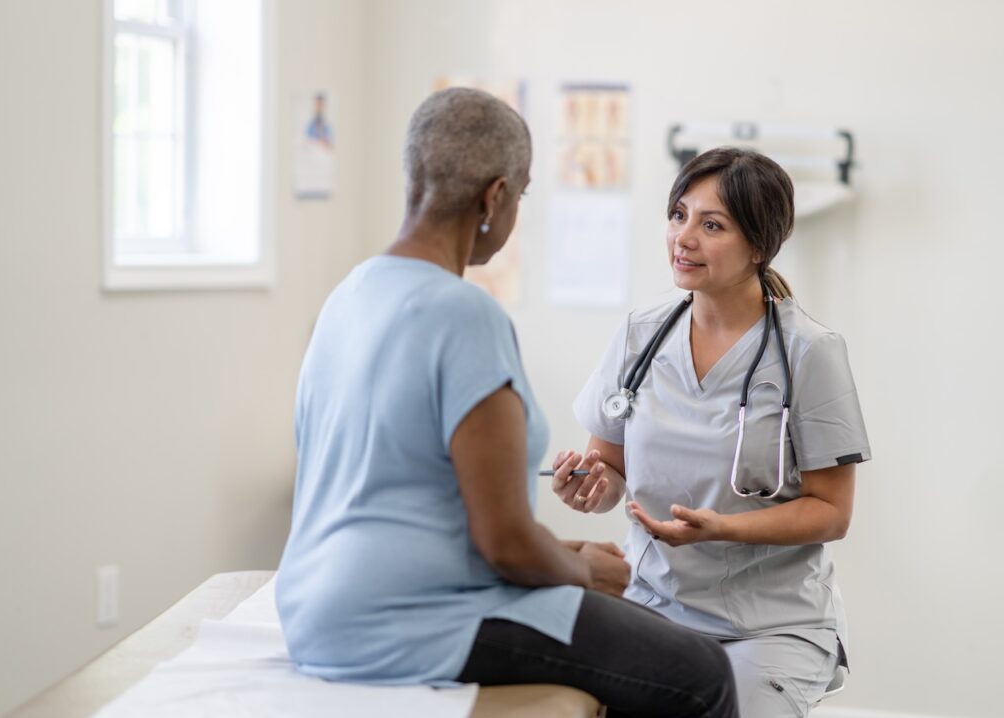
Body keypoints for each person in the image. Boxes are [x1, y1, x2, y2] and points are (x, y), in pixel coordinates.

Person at [275, 88, 739, 718]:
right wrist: (583, 574)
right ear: (494, 197)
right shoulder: (463, 313)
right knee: (701, 673)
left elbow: (414, 501)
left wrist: (565, 553)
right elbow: (505, 545)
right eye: (520, 195)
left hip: (313, 610)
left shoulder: (349, 295)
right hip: (410, 621)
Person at [551, 147, 870, 717]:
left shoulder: (810, 352)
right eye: (679, 215)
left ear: (758, 246)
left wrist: (720, 528)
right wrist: (592, 485)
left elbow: (831, 511)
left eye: (712, 224)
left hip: (768, 626)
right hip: (651, 608)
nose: (684, 237)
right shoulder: (638, 337)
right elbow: (610, 472)